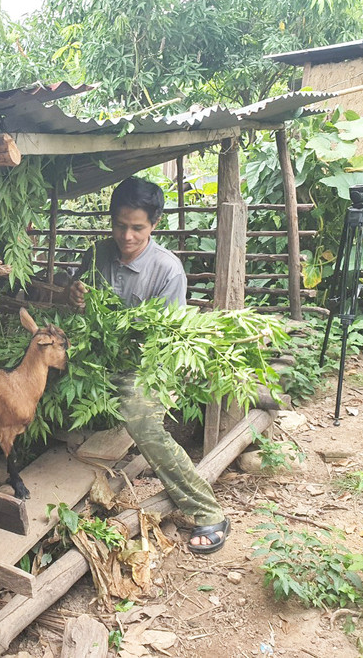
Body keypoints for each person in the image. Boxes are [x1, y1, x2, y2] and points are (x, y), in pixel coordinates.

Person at [65, 176, 230, 554]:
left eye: (137, 228)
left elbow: (165, 344)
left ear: (154, 225)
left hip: (146, 365)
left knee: (141, 420)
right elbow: (72, 303)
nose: (127, 236)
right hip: (95, 356)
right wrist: (71, 295)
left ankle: (207, 511)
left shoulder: (167, 271)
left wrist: (127, 348)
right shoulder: (96, 254)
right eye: (120, 226)